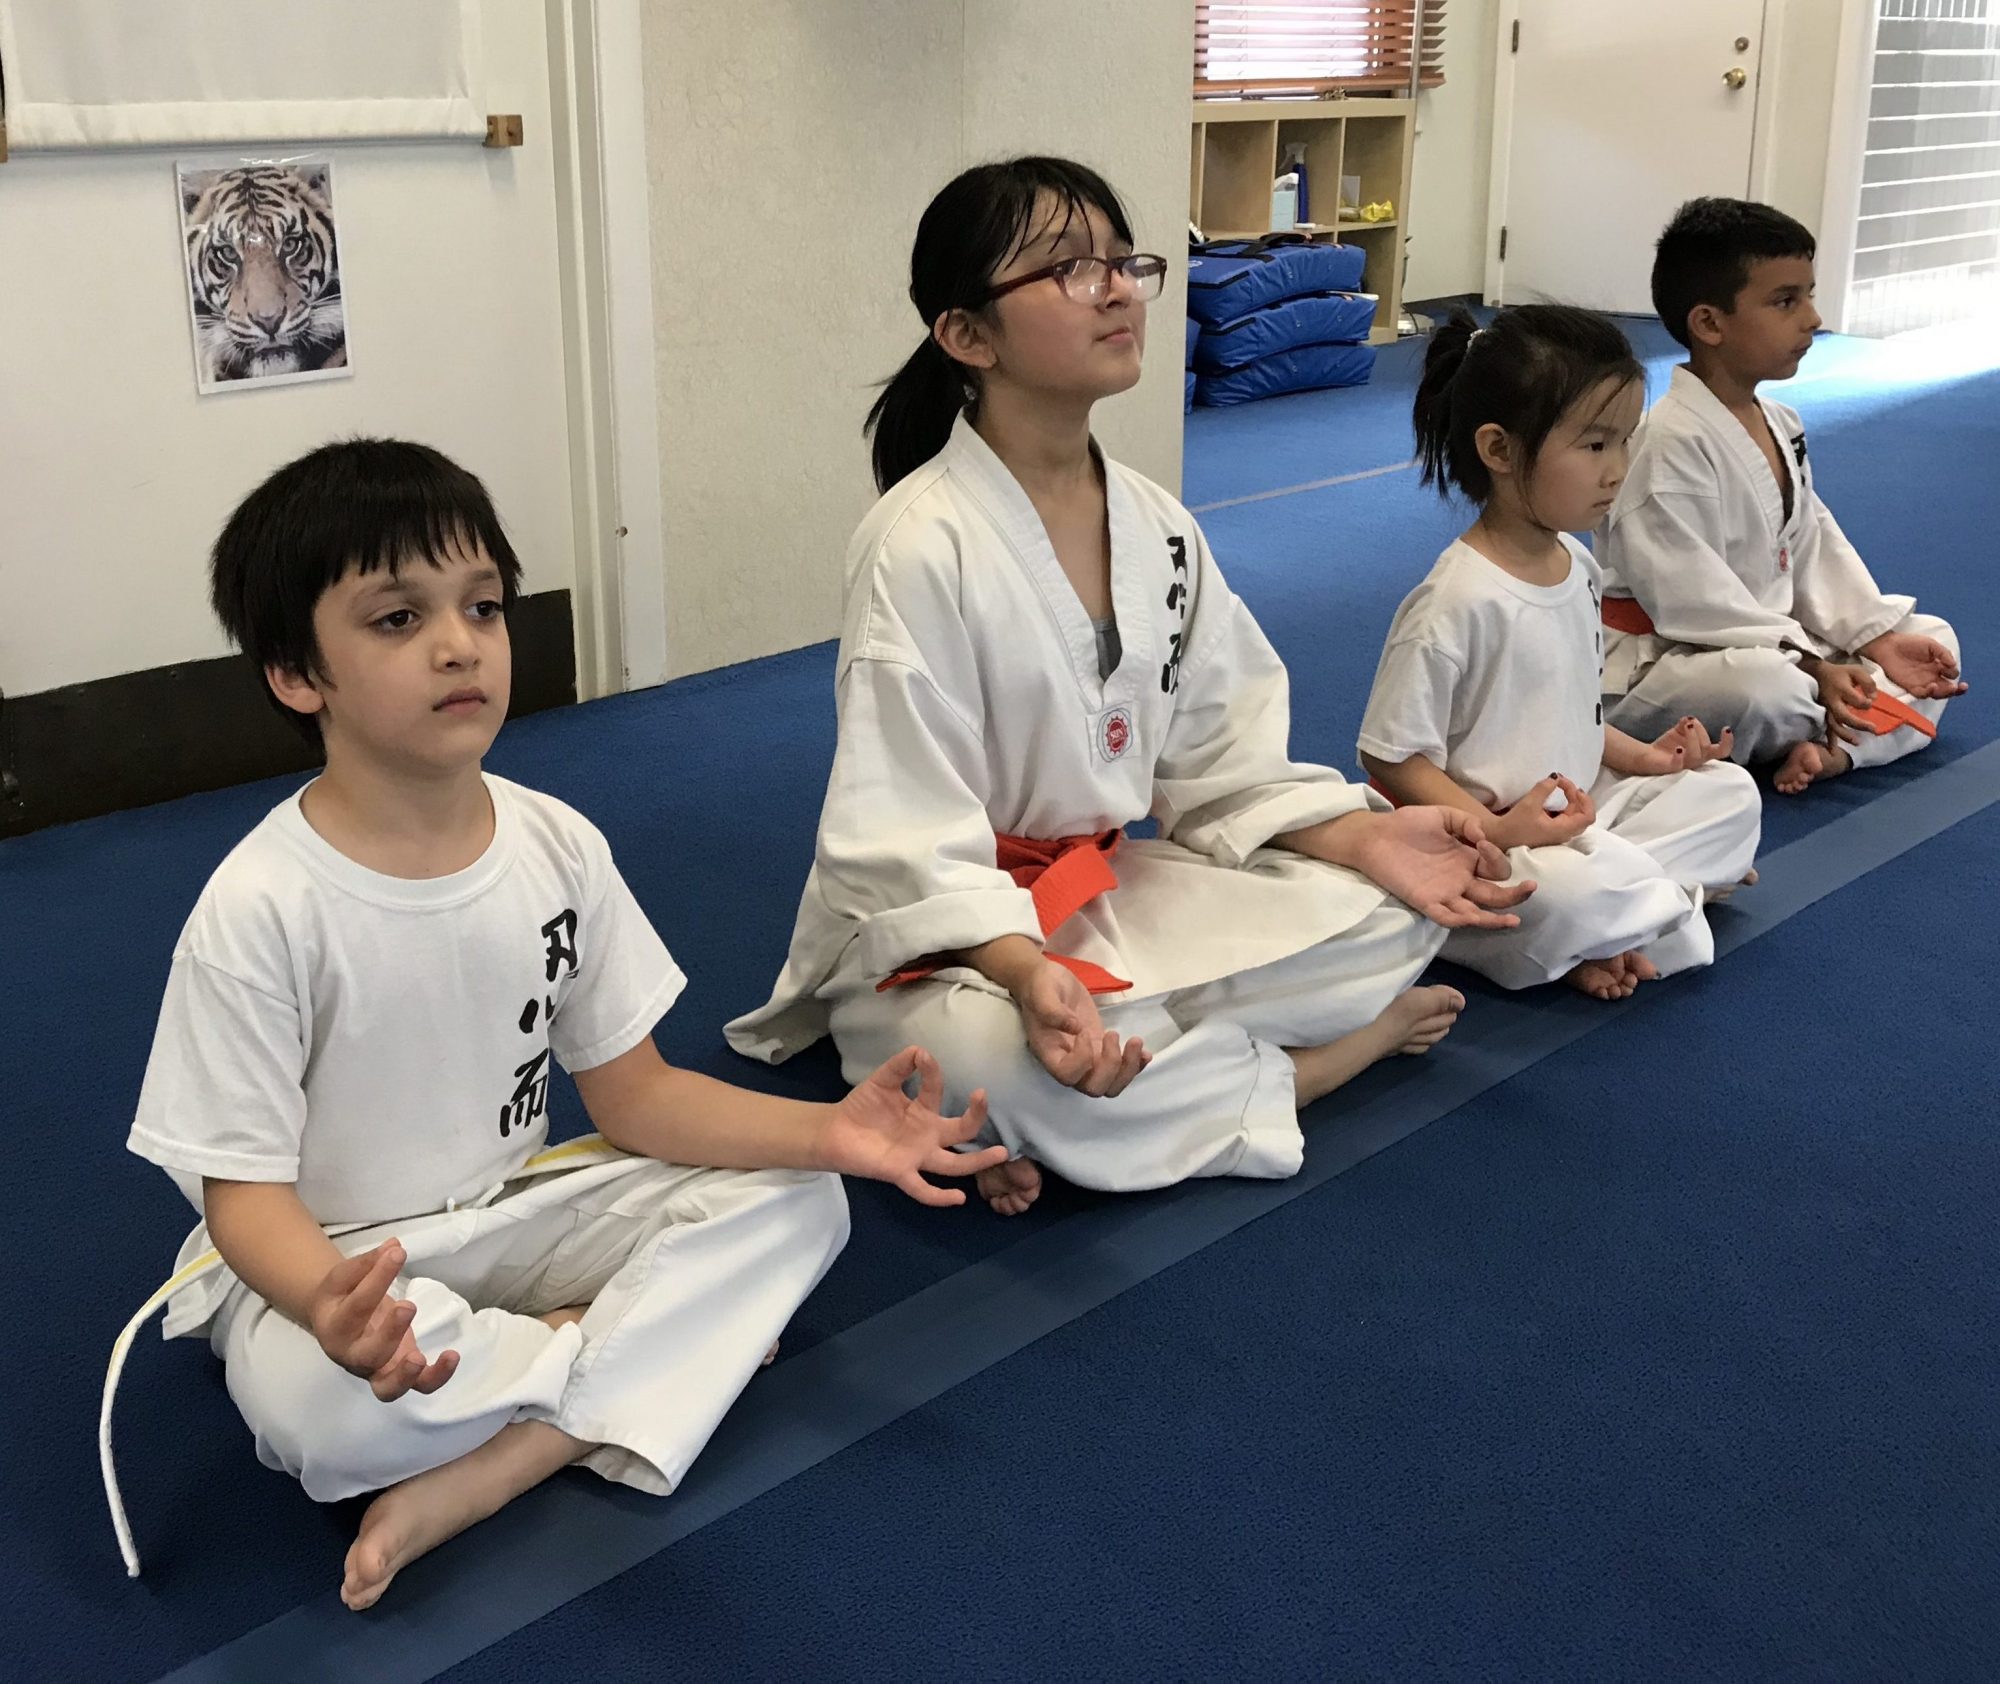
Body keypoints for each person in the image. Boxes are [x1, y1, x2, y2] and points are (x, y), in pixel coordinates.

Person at [108, 440, 998, 1608]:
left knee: (803, 1202)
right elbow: (242, 1199)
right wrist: (328, 1305)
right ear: (294, 672)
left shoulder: (555, 844)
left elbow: (635, 1097)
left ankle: (513, 1453)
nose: (456, 641)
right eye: (395, 618)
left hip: (513, 1213)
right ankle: (634, 1354)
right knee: (313, 1416)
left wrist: (832, 1132)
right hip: (343, 1267)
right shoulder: (259, 908)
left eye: (481, 605)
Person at [727, 157, 1533, 1217]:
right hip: (955, 945)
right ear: (967, 336)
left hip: (1104, 891)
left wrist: (1367, 838)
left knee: (1387, 911)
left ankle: (1153, 1071)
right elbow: (902, 836)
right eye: (1065, 269)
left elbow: (1225, 758)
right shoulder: (918, 545)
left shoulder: (1157, 524)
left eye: (1122, 261)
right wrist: (1023, 972)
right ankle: (1300, 1064)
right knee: (990, 1057)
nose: (1114, 288)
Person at [1360, 306, 1762, 999]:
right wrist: (1492, 827)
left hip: (1580, 814)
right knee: (1571, 893)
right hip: (1488, 839)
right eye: (1595, 445)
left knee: (1730, 793)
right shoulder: (1454, 601)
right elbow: (1389, 756)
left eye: (1625, 442)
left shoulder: (1579, 566)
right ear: (1500, 451)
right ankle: (1644, 908)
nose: (1618, 471)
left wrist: (1649, 760)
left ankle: (1634, 910)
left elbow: (1577, 712)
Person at [1599, 198, 1965, 795]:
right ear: (1710, 324)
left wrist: (1874, 636)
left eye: (1809, 295)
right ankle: (1850, 729)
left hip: (1778, 639)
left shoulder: (1781, 421)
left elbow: (1813, 541)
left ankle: (1834, 752)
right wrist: (1816, 667)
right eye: (1785, 301)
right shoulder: (1665, 444)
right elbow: (1692, 602)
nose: (1813, 319)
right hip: (1676, 658)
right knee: (1763, 688)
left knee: (1931, 642)